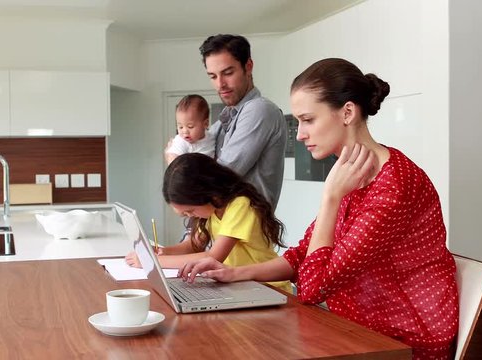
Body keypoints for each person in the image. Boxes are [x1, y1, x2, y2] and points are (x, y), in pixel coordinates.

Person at [178, 58, 459, 359]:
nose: (299, 134)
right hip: (355, 327)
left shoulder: (393, 186)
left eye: (308, 120)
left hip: (401, 341)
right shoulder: (353, 172)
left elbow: (311, 288)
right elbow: (303, 256)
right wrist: (233, 273)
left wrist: (330, 197)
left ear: (347, 112)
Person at [125, 153, 292, 293]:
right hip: (239, 285)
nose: (189, 216)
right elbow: (193, 245)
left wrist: (152, 262)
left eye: (190, 211)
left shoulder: (240, 205)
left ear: (210, 195)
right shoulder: (211, 210)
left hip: (268, 287)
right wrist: (164, 252)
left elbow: (212, 257)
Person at [199, 34, 287, 210]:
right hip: (217, 230)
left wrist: (174, 161)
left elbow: (218, 178)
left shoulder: (260, 110)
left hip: (245, 235)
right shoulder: (224, 120)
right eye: (213, 76)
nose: (220, 84)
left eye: (228, 73)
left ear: (248, 66)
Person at [165, 94, 215, 164]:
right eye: (180, 127)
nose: (185, 131)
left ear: (205, 124)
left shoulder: (211, 138)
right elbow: (173, 161)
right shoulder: (181, 141)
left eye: (190, 126)